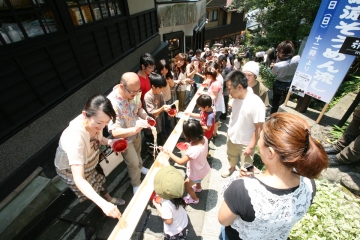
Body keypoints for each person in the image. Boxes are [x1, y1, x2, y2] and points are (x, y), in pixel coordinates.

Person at [218, 112, 329, 240]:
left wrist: (241, 180)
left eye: (261, 137)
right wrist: (258, 175)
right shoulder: (309, 185)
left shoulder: (242, 189)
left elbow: (224, 220)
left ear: (270, 152)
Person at [54, 94, 123, 219]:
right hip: (71, 169)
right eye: (99, 123)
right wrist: (103, 204)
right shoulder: (74, 138)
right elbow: (78, 178)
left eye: (106, 123)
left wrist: (109, 142)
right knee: (90, 187)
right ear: (85, 115)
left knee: (99, 179)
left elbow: (99, 138)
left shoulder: (95, 122)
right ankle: (103, 204)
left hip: (90, 160)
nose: (102, 127)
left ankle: (108, 198)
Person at [107, 72, 152, 194]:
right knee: (132, 162)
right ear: (122, 86)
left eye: (138, 90)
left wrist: (146, 117)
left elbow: (139, 109)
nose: (136, 94)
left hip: (135, 130)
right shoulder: (111, 103)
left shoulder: (135, 92)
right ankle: (136, 183)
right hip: (124, 138)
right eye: (132, 92)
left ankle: (141, 167)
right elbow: (114, 131)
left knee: (138, 153)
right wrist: (135, 129)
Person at [221, 71, 265, 178]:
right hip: (232, 137)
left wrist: (251, 146)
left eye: (230, 88)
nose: (228, 91)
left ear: (239, 87)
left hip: (246, 142)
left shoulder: (256, 103)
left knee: (247, 166)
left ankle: (246, 181)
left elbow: (259, 128)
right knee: (231, 156)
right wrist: (230, 131)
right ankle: (232, 168)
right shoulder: (236, 98)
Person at [161, 119, 210, 204]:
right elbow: (200, 152)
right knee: (198, 180)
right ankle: (198, 188)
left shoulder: (193, 150)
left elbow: (180, 161)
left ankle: (195, 199)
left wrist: (169, 153)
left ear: (189, 135)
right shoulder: (204, 139)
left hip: (196, 173)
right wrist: (190, 145)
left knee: (186, 186)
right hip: (203, 168)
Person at [152, 166, 188, 240]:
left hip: (174, 231)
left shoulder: (166, 204)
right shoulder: (178, 195)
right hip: (183, 223)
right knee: (182, 236)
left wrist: (157, 206)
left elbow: (169, 221)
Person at [270, 40, 300, 114]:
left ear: (281, 51)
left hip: (279, 84)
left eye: (278, 51)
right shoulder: (297, 59)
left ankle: (272, 116)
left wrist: (273, 67)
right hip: (290, 84)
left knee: (275, 103)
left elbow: (274, 73)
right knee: (285, 103)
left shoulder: (278, 65)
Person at [143, 72, 171, 148]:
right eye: (160, 88)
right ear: (153, 86)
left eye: (162, 88)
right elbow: (153, 113)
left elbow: (163, 105)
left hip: (159, 123)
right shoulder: (148, 97)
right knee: (153, 144)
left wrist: (168, 110)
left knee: (160, 142)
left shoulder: (160, 94)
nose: (161, 90)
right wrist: (162, 108)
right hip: (151, 126)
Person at [204, 64, 225, 138]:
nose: (206, 76)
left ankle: (214, 134)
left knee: (215, 121)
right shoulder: (212, 81)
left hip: (216, 105)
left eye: (206, 74)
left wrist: (206, 96)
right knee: (215, 120)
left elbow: (214, 97)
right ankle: (214, 133)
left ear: (209, 75)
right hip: (215, 105)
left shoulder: (216, 84)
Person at [157, 59, 175, 138]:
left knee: (168, 117)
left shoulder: (170, 75)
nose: (164, 71)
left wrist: (170, 81)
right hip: (161, 102)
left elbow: (172, 85)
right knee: (162, 119)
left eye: (166, 69)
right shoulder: (157, 77)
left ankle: (169, 132)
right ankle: (164, 134)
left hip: (168, 99)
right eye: (162, 70)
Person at [218, 55, 233, 120]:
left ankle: (224, 115)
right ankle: (224, 114)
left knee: (224, 101)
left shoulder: (228, 68)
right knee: (224, 101)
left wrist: (223, 90)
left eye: (220, 62)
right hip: (225, 87)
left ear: (223, 61)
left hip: (226, 87)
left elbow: (227, 79)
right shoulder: (226, 66)